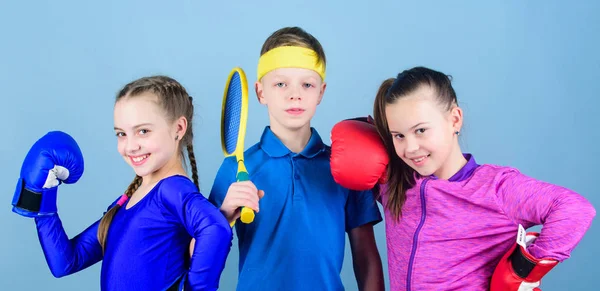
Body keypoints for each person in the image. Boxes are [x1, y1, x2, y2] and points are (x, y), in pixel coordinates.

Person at [330, 66, 596, 290]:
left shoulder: (496, 187)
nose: (410, 148)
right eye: (399, 135)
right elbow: (355, 145)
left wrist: (524, 269)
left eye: (421, 130)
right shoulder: (396, 183)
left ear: (455, 119)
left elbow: (575, 210)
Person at [11, 76, 233, 291]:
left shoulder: (172, 189)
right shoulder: (126, 202)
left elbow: (215, 229)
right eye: (121, 134)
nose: (130, 146)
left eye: (143, 131)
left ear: (178, 128)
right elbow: (66, 262)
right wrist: (42, 198)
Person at [208, 26, 385, 291]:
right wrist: (224, 216)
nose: (295, 94)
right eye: (280, 84)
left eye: (307, 84)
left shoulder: (346, 166)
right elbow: (201, 256)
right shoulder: (235, 168)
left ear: (321, 92)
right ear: (260, 92)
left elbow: (366, 256)